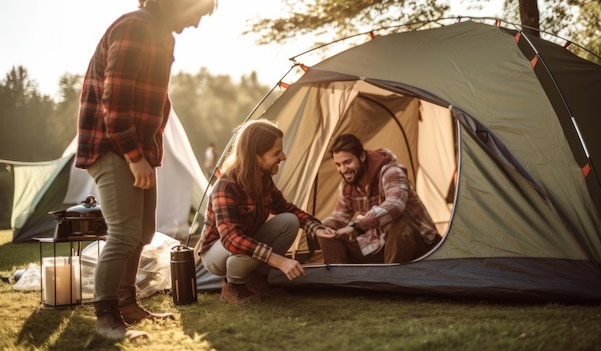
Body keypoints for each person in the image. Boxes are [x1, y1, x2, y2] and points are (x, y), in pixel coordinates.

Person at [75, 0, 219, 341]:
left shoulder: (164, 38)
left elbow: (157, 104)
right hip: (113, 147)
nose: (197, 24)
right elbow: (116, 102)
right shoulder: (135, 27)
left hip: (139, 151)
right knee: (124, 231)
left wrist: (148, 156)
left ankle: (127, 304)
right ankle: (106, 319)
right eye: (197, 13)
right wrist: (134, 155)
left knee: (143, 231)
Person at [196, 119, 336, 304]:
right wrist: (279, 261)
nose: (283, 157)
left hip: (245, 241)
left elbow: (286, 208)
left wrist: (315, 228)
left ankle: (257, 281)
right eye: (276, 153)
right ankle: (233, 286)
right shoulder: (226, 185)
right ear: (255, 156)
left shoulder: (263, 179)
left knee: (290, 221)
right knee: (245, 245)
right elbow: (231, 238)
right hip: (216, 252)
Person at [318, 134, 442, 264]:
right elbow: (339, 217)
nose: (343, 169)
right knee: (328, 228)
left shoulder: (391, 171)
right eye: (338, 165)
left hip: (419, 245)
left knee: (398, 222)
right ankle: (339, 281)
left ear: (362, 156)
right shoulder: (346, 186)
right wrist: (318, 228)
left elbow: (395, 205)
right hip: (379, 244)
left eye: (347, 162)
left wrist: (358, 226)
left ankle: (391, 280)